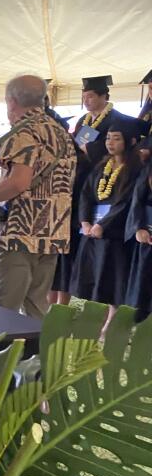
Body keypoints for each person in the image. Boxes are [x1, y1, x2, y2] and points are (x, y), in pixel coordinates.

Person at [0, 75, 76, 319]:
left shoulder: (22, 131)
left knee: (1, 311)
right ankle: (33, 358)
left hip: (19, 234)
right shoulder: (61, 132)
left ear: (11, 101)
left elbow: (19, 181)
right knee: (36, 310)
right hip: (52, 232)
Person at [70, 121, 143, 328]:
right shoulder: (102, 166)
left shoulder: (136, 169)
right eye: (108, 138)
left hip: (116, 235)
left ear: (131, 141)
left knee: (114, 281)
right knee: (94, 278)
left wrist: (104, 225)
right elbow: (85, 194)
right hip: (93, 230)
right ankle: (96, 320)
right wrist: (84, 221)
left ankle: (110, 324)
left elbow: (127, 202)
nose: (110, 143)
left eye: (116, 138)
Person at [125, 159, 152, 323]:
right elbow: (137, 200)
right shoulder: (148, 168)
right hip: (147, 234)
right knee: (142, 281)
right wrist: (138, 227)